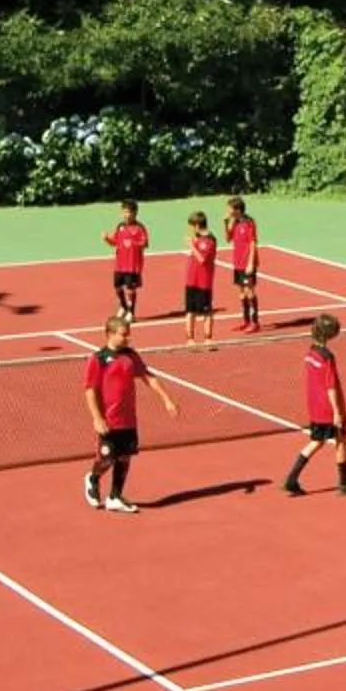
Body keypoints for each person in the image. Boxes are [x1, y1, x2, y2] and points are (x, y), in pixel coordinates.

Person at [81, 313, 177, 514]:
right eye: (124, 335)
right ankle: (93, 478)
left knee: (124, 458)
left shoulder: (131, 356)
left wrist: (166, 399)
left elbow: (147, 377)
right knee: (107, 458)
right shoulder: (98, 359)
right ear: (110, 334)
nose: (127, 338)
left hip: (128, 420)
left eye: (128, 334)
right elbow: (89, 390)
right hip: (109, 420)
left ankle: (115, 496)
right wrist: (97, 418)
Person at [279, 313, 346, 496]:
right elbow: (331, 386)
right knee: (341, 440)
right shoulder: (327, 357)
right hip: (329, 408)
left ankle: (291, 478)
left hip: (315, 407)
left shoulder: (310, 353)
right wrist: (337, 412)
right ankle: (344, 482)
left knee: (316, 442)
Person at [181, 211, 220, 351]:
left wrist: (191, 245)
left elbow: (202, 259)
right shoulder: (197, 239)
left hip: (204, 281)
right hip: (191, 280)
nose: (190, 230)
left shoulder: (208, 240)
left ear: (197, 225)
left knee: (206, 311)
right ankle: (190, 339)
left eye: (191, 226)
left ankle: (208, 338)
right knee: (190, 310)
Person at [103, 200, 149, 318]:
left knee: (130, 289)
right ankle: (123, 306)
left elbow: (145, 243)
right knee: (117, 286)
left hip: (132, 264)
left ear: (135, 213)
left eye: (128, 212)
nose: (126, 215)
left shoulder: (139, 228)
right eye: (124, 212)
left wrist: (132, 243)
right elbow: (115, 241)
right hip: (120, 264)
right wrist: (107, 239)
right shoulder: (120, 226)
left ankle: (131, 313)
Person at [226, 195, 262, 333]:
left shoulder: (249, 222)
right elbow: (228, 239)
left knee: (249, 291)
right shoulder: (234, 222)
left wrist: (251, 263)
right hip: (237, 262)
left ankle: (255, 322)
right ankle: (246, 321)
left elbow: (253, 243)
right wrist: (227, 224)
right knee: (241, 293)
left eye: (229, 208)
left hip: (247, 262)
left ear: (237, 209)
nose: (227, 211)